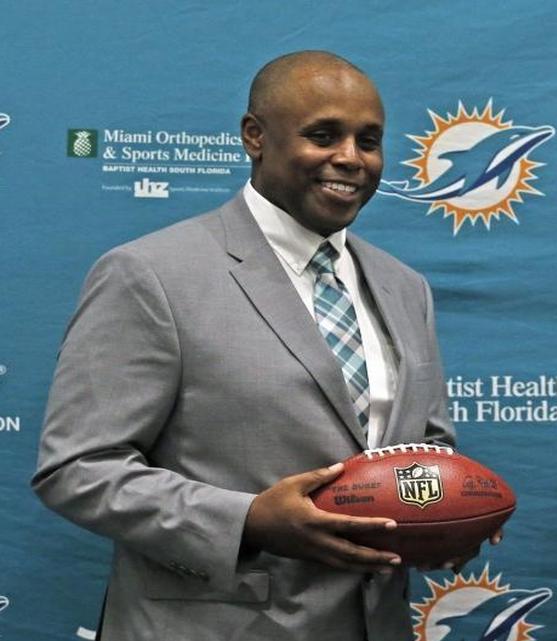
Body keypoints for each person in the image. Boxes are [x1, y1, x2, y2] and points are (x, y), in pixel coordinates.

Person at [33, 51, 462, 641]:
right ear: (255, 137)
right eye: (322, 135)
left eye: (369, 140)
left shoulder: (402, 285)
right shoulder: (151, 273)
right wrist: (247, 520)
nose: (350, 159)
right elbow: (77, 469)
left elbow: (426, 447)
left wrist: (443, 518)